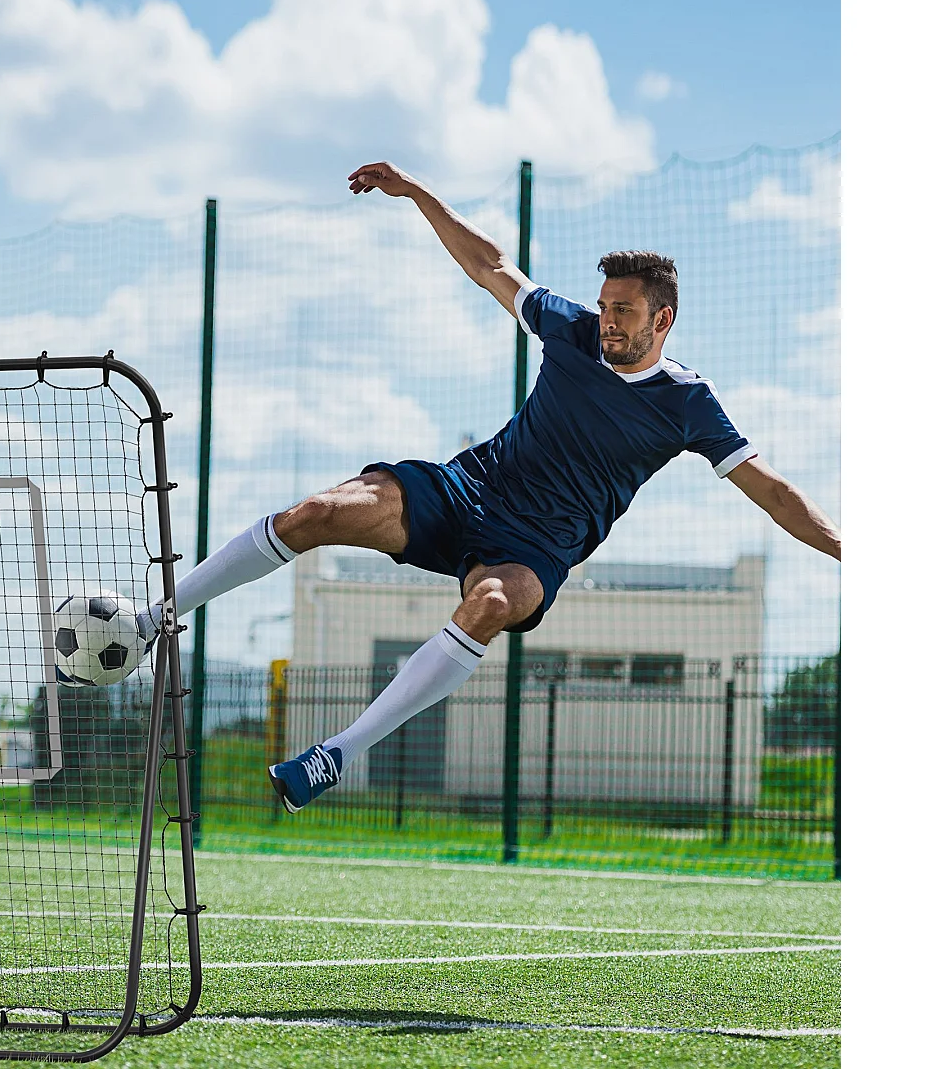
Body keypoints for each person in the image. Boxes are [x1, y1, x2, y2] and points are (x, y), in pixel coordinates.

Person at [137, 160, 841, 814]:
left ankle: (335, 755)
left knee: (494, 602)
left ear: (663, 319)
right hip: (466, 488)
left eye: (623, 311)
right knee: (317, 510)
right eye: (603, 305)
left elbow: (774, 491)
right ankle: (152, 621)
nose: (607, 320)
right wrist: (415, 192)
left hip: (536, 545)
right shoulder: (572, 332)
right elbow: (491, 265)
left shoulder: (687, 402)